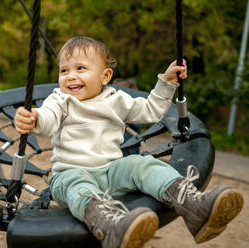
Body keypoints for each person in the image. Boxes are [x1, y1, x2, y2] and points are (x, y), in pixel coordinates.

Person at [14, 36, 243, 248]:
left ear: (105, 76)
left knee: (139, 163)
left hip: (110, 172)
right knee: (79, 185)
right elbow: (48, 119)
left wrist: (166, 83)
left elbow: (151, 111)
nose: (70, 76)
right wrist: (34, 118)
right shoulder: (60, 100)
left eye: (80, 68)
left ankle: (195, 208)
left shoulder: (117, 99)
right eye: (64, 70)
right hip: (69, 176)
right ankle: (111, 227)